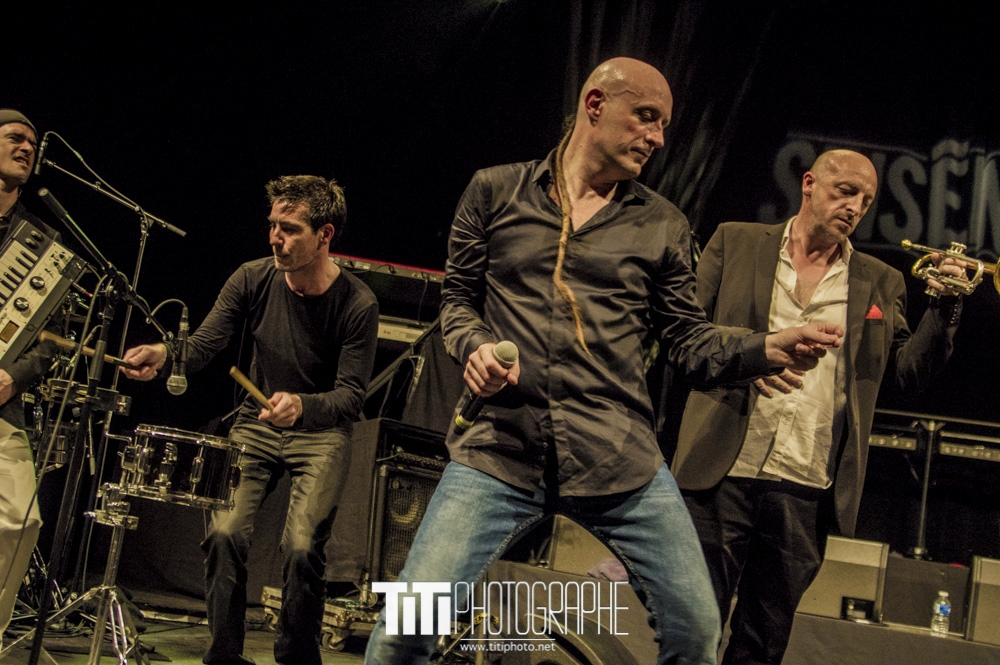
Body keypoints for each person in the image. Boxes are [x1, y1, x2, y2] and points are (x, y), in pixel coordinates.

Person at [364, 57, 844, 665]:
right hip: (499, 450)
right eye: (646, 117)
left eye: (664, 124)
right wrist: (474, 345)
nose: (658, 138)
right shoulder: (495, 190)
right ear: (595, 105)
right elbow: (458, 298)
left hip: (619, 460)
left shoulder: (663, 224)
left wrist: (763, 347)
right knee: (404, 630)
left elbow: (687, 339)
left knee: (695, 630)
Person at [672, 150, 965, 665]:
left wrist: (944, 309)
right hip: (720, 472)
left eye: (866, 201)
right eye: (845, 191)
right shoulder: (735, 241)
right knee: (692, 630)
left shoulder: (880, 280)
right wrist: (753, 355)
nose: (855, 207)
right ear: (808, 183)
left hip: (804, 484)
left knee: (762, 644)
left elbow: (904, 375)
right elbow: (687, 338)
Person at [122, 175, 380, 665]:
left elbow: (351, 397)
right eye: (273, 225)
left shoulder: (358, 303)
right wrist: (165, 352)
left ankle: (296, 657)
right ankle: (224, 657)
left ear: (325, 235)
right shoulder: (252, 277)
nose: (275, 238)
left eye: (290, 229)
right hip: (256, 425)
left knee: (302, 547)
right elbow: (203, 345)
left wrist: (302, 406)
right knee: (224, 535)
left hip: (321, 434)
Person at [0, 109, 61, 644]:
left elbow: (50, 342)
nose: (27, 148)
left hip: (2, 403)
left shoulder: (42, 242)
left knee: (22, 523)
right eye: (15, 138)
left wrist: (13, 378)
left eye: (32, 143)